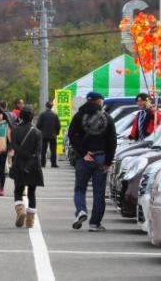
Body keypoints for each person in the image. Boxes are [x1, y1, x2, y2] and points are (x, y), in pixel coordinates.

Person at [68, 91, 117, 232]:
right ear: (98, 101)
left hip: (84, 159)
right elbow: (112, 141)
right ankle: (94, 224)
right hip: (101, 157)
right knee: (99, 192)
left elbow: (72, 135)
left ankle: (81, 210)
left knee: (80, 188)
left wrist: (83, 152)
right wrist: (108, 161)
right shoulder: (107, 118)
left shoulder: (78, 116)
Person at [11, 105, 44, 229]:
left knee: (18, 190)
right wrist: (31, 157)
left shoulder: (15, 130)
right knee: (32, 193)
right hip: (33, 165)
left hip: (19, 163)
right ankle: (30, 221)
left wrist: (22, 153)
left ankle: (20, 210)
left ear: (20, 116)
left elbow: (14, 146)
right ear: (32, 117)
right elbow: (39, 151)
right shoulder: (37, 132)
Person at [36, 101, 61, 168]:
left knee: (43, 150)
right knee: (53, 150)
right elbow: (58, 126)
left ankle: (43, 163)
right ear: (51, 106)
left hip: (43, 135)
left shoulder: (42, 115)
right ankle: (53, 163)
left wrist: (40, 131)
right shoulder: (55, 115)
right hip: (53, 135)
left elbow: (38, 125)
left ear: (46, 106)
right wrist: (57, 133)